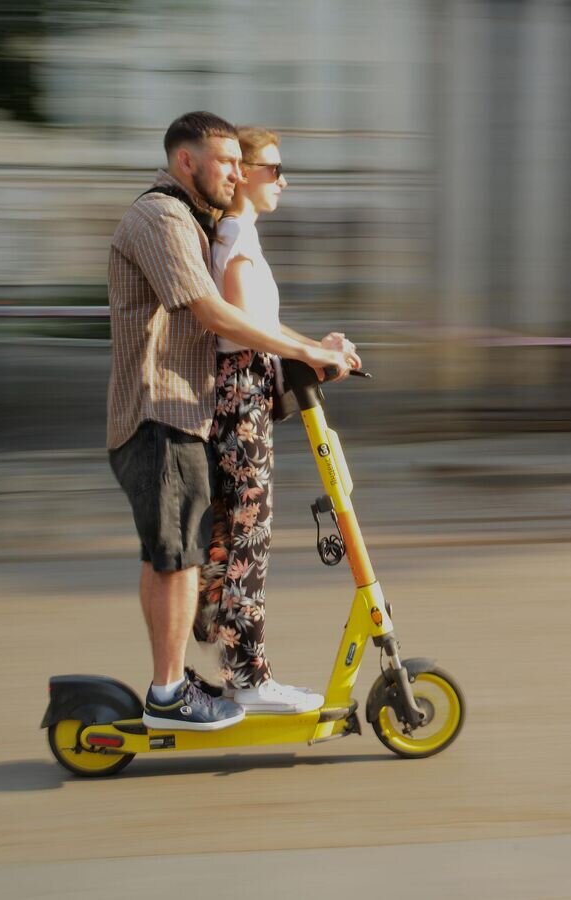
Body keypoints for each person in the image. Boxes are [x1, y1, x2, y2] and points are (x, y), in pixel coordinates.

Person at [106, 112, 357, 731]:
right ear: (186, 160)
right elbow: (214, 314)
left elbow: (247, 325)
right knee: (178, 552)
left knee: (197, 548)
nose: (239, 174)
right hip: (156, 408)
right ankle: (171, 695)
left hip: (184, 411)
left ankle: (212, 673)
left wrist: (309, 351)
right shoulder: (161, 216)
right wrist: (308, 352)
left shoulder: (196, 221)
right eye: (228, 163)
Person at [193, 126, 359, 713]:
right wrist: (309, 352)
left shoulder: (244, 238)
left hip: (248, 392)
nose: (283, 180)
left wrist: (318, 347)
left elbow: (263, 328)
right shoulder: (234, 237)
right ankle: (248, 676)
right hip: (239, 397)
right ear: (243, 174)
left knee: (241, 531)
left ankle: (228, 644)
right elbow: (239, 328)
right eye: (274, 169)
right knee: (248, 535)